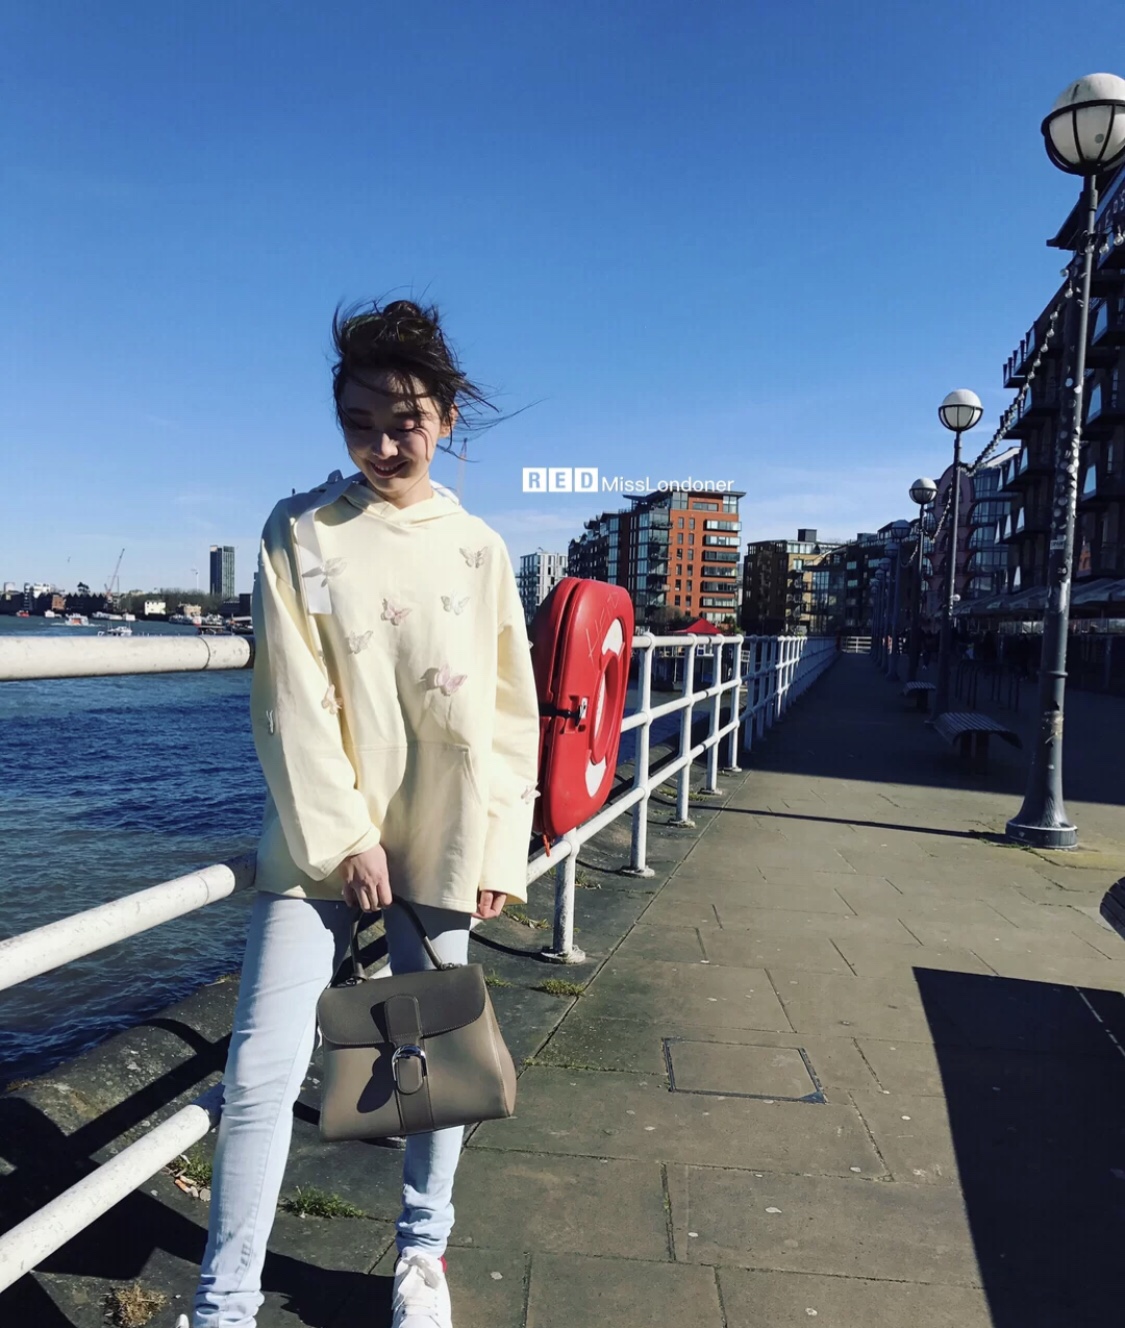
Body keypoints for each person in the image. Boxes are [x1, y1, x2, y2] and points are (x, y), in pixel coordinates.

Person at [181, 299, 541, 1328]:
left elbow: (508, 709)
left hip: (447, 824)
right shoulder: (300, 528)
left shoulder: (479, 547)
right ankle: (223, 1302)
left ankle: (422, 1252)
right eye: (359, 424)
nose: (383, 446)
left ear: (447, 421)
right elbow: (289, 696)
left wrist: (497, 847)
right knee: (263, 1067)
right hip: (318, 837)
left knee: (440, 1062)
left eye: (405, 423)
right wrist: (344, 836)